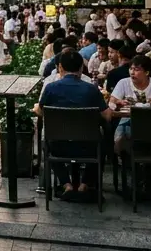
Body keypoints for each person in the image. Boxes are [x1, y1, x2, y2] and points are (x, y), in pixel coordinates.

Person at [35, 50, 113, 199]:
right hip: (88, 147)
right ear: (81, 69)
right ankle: (85, 184)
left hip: (59, 146)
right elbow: (108, 116)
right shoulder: (91, 89)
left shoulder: (51, 88)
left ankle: (66, 184)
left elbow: (40, 111)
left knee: (47, 145)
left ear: (60, 68)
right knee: (102, 144)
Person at [110, 54, 151, 158]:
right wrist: (119, 101)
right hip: (129, 121)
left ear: (147, 72)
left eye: (136, 69)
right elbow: (112, 101)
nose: (132, 72)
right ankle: (125, 153)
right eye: (131, 69)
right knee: (124, 131)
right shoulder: (123, 83)